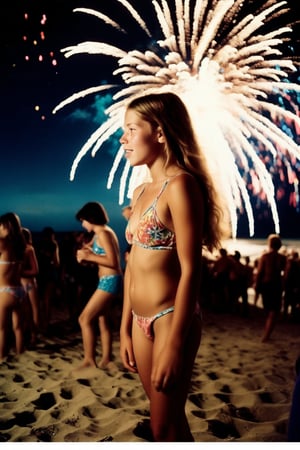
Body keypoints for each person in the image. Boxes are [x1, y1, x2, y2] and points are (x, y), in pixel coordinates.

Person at [119, 92, 227, 441]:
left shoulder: (179, 186)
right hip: (138, 320)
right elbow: (133, 265)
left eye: (132, 129)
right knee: (169, 421)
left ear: (160, 133)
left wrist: (176, 343)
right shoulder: (139, 193)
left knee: (162, 426)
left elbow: (191, 269)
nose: (123, 138)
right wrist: (124, 327)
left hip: (169, 319)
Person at [75, 202, 123, 369]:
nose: (82, 224)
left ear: (90, 218)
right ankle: (107, 358)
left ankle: (89, 360)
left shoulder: (103, 233)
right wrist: (87, 253)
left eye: (83, 220)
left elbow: (114, 262)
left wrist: (88, 257)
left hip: (110, 281)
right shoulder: (99, 234)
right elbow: (100, 254)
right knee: (103, 320)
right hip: (106, 280)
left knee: (84, 319)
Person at [0, 212, 27, 360]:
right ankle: (20, 353)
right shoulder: (20, 244)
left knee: (2, 330)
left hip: (4, 292)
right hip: (19, 290)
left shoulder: (2, 243)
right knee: (18, 328)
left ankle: (1, 356)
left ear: (6, 226)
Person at [255, 234, 287, 342]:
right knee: (274, 311)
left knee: (268, 310)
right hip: (276, 285)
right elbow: (285, 274)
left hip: (266, 285)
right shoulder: (283, 258)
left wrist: (257, 286)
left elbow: (259, 273)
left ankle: (266, 334)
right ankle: (267, 334)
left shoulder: (265, 257)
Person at [21, 227, 40, 345]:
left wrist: (19, 272)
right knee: (26, 310)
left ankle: (34, 335)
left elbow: (35, 270)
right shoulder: (16, 250)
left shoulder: (29, 249)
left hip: (28, 282)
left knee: (34, 309)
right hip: (21, 283)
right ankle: (28, 333)